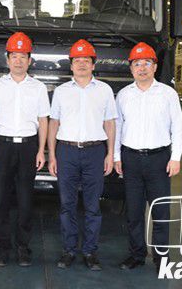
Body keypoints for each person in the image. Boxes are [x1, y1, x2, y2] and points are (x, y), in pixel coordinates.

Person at [114, 42, 182, 273]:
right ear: (131, 69)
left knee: (161, 212)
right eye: (137, 64)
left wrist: (176, 157)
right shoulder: (124, 95)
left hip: (159, 160)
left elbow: (178, 127)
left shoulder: (167, 94)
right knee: (134, 212)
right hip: (131, 159)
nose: (142, 68)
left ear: (155, 67)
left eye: (147, 63)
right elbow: (117, 127)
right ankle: (136, 254)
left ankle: (161, 258)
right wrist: (116, 156)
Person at [47, 39, 117, 271]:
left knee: (92, 206)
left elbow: (110, 123)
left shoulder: (105, 90)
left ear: (93, 65)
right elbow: (54, 123)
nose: (82, 64)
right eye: (77, 60)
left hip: (95, 152)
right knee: (67, 205)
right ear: (71, 65)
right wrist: (52, 155)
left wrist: (110, 154)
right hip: (66, 151)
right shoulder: (61, 92)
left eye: (86, 60)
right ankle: (68, 250)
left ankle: (89, 251)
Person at [0, 32, 50, 267]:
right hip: (2, 146)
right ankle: (2, 248)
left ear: (29, 60)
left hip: (29, 147)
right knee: (1, 198)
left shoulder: (38, 87)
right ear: (7, 59)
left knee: (25, 199)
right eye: (14, 56)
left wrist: (41, 150)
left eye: (23, 56)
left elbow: (43, 120)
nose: (18, 61)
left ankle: (23, 247)